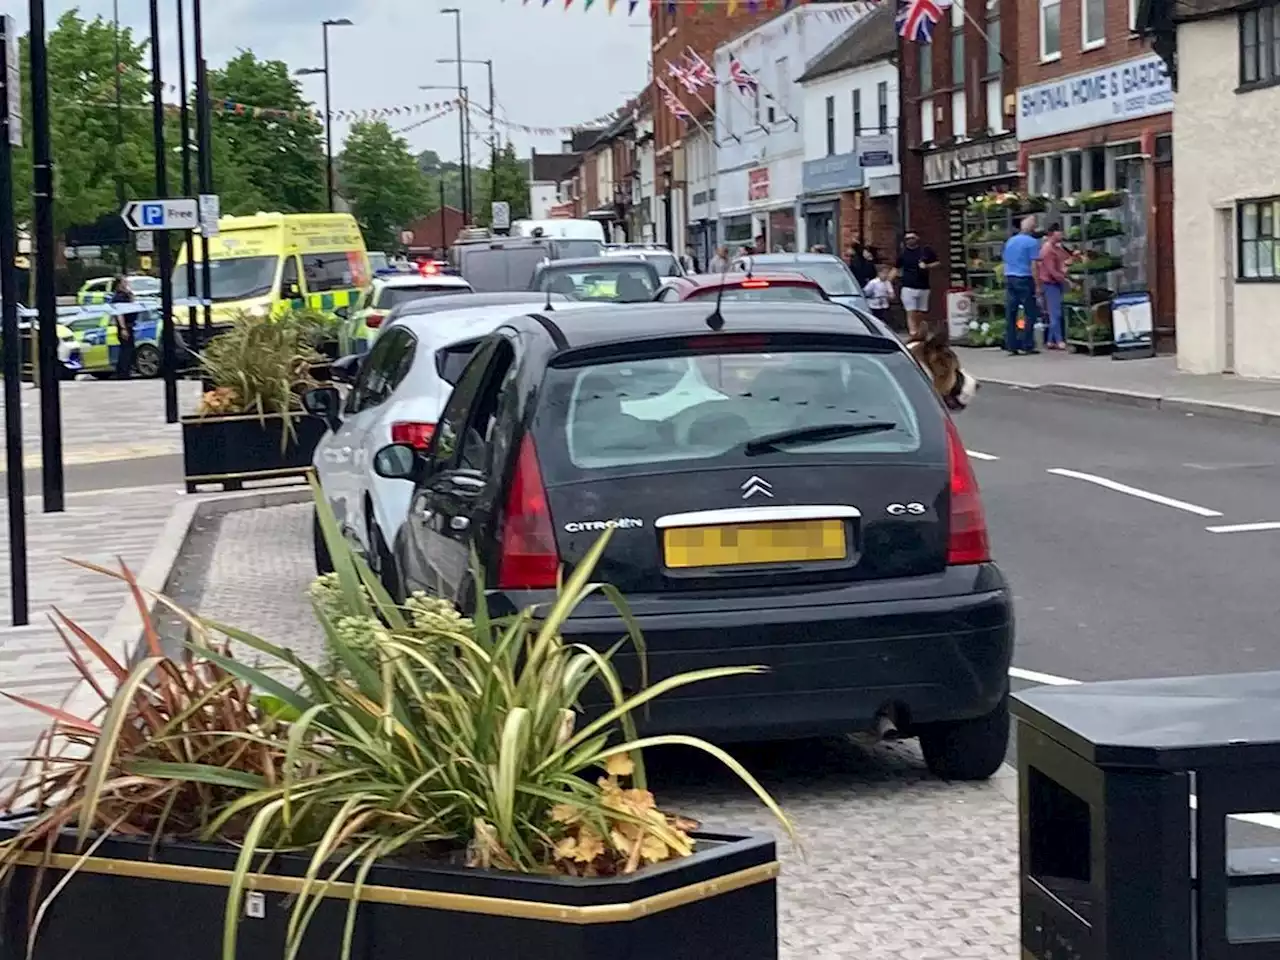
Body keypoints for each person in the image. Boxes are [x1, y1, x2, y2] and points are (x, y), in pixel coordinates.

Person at [1001, 215, 1042, 356]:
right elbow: (1034, 265)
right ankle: (1027, 344)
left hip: (1010, 277)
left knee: (1011, 312)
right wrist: (1037, 285)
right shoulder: (1032, 242)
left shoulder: (1010, 241)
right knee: (1030, 312)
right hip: (1024, 278)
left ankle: (1011, 344)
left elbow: (1005, 260)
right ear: (1032, 228)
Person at [895, 232, 939, 338]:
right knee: (911, 311)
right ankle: (913, 332)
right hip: (908, 286)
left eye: (912, 238)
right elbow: (896, 268)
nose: (910, 240)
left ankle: (921, 331)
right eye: (907, 239)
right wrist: (886, 282)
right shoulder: (903, 254)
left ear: (917, 238)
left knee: (921, 312)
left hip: (923, 286)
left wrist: (927, 266)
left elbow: (937, 263)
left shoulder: (925, 251)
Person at [1038, 222, 1071, 350]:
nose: (1062, 234)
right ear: (1053, 234)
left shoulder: (1056, 248)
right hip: (1050, 284)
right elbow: (1052, 270)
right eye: (1059, 231)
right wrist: (1066, 280)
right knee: (1055, 312)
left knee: (1054, 311)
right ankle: (1059, 340)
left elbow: (1065, 258)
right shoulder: (1048, 250)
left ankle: (1050, 340)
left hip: (1054, 283)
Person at [110, 275, 136, 380]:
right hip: (124, 326)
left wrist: (130, 293)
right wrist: (123, 328)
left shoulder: (126, 295)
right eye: (124, 282)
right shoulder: (118, 297)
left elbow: (133, 302)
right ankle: (123, 373)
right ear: (119, 284)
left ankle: (126, 371)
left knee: (128, 349)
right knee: (126, 350)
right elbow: (119, 314)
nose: (127, 284)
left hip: (129, 326)